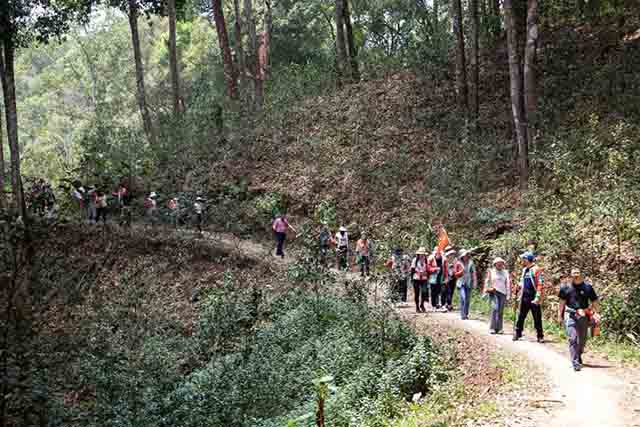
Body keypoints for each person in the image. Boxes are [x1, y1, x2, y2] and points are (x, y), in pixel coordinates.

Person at [558, 268, 600, 371]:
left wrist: (597, 313)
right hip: (570, 314)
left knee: (582, 340)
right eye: (574, 273)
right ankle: (575, 362)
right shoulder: (565, 288)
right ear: (570, 275)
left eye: (578, 273)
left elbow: (594, 301)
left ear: (581, 275)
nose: (576, 275)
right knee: (572, 338)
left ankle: (578, 354)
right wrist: (559, 315)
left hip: (584, 315)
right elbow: (561, 303)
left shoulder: (588, 287)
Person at [513, 251, 545, 343]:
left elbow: (540, 283)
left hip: (534, 297)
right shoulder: (524, 270)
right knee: (521, 316)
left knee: (537, 317)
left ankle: (540, 335)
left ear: (527, 259)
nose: (522, 260)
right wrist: (518, 287)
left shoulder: (536, 269)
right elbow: (522, 282)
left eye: (524, 259)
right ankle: (518, 333)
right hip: (524, 296)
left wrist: (537, 297)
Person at [484, 257, 512, 334]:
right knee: (495, 309)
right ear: (495, 264)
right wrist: (485, 290)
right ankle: (492, 327)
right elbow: (487, 281)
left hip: (503, 293)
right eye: (498, 263)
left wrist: (508, 295)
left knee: (500, 311)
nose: (500, 265)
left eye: (501, 263)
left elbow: (508, 284)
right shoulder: (491, 272)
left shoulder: (505, 272)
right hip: (494, 292)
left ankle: (499, 328)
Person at [456, 249, 476, 320]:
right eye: (464, 255)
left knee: (467, 299)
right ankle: (462, 314)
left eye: (466, 255)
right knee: (463, 298)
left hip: (468, 282)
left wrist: (474, 282)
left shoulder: (471, 263)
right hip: (461, 283)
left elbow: (473, 273)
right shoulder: (458, 263)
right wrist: (460, 272)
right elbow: (455, 273)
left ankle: (466, 314)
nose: (465, 256)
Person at [411, 247, 430, 313]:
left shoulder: (426, 260)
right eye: (421, 254)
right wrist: (412, 279)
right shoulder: (415, 260)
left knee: (424, 292)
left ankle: (422, 304)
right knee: (417, 293)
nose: (422, 255)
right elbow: (412, 270)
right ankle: (417, 307)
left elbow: (428, 269)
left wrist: (427, 274)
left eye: (423, 254)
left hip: (424, 278)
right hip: (416, 278)